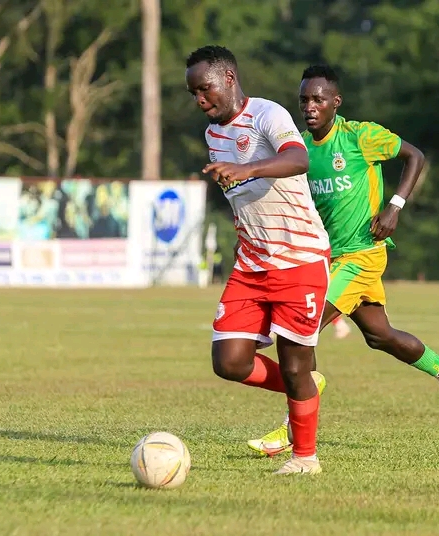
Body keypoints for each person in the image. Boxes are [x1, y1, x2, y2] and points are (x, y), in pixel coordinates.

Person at [248, 65, 439, 457]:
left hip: (363, 254)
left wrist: (395, 206)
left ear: (336, 102)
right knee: (379, 335)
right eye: (304, 100)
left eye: (318, 99)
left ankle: (293, 427)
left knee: (301, 329)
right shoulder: (300, 150)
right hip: (327, 258)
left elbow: (415, 156)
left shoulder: (360, 136)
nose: (310, 106)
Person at [186, 46, 331, 475]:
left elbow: (298, 158)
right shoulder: (213, 135)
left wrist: (248, 169)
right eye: (193, 93)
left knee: (294, 364)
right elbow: (242, 197)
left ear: (229, 78)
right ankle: (304, 387)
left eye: (205, 89)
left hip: (300, 258)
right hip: (252, 262)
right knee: (229, 361)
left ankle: (305, 459)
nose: (200, 100)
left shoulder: (268, 114)